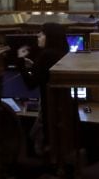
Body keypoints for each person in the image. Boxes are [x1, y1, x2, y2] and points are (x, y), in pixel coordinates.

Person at [16, 22, 69, 155]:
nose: (38, 35)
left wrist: (20, 63)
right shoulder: (63, 53)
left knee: (31, 138)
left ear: (50, 36)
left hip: (48, 111)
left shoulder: (46, 55)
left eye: (42, 33)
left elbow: (31, 84)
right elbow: (46, 73)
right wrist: (34, 66)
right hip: (64, 110)